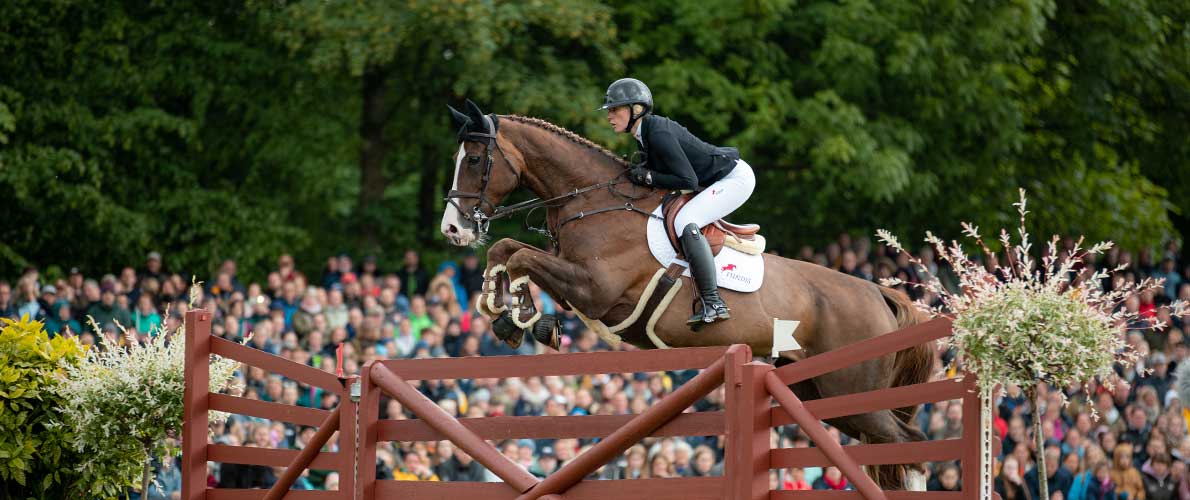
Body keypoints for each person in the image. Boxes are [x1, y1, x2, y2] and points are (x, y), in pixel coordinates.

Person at [601, 77, 754, 328]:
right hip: (715, 180)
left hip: (734, 179)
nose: (609, 116)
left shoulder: (657, 132)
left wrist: (648, 177)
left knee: (685, 220)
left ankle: (713, 301)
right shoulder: (644, 132)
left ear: (636, 109)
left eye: (615, 109)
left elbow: (688, 180)